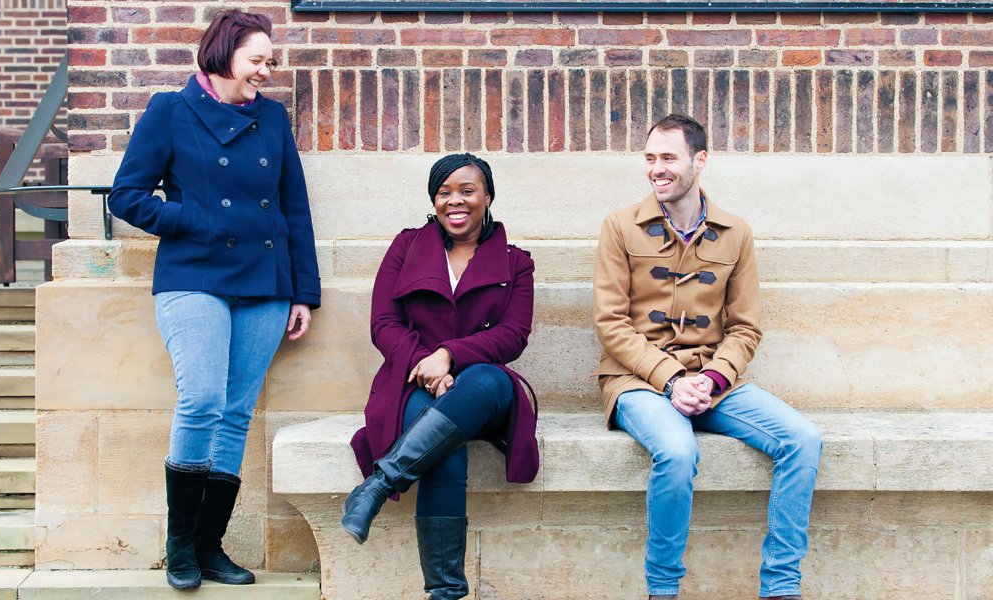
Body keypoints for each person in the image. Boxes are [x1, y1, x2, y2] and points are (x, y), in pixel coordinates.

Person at [107, 9, 320, 591]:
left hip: (266, 284)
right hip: (193, 275)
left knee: (235, 414)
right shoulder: (169, 112)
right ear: (224, 54)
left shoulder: (273, 119)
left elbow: (293, 208)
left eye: (269, 61)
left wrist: (305, 291)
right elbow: (126, 196)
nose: (266, 71)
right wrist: (191, 220)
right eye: (258, 59)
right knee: (201, 399)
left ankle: (209, 546)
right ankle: (179, 546)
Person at [593, 114, 821, 600]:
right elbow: (611, 324)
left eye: (668, 158)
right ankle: (663, 591)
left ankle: (781, 588)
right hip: (637, 382)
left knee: (802, 439)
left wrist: (713, 380)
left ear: (700, 161)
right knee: (677, 452)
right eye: (650, 158)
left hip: (715, 383)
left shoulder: (735, 232)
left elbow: (745, 327)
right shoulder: (618, 228)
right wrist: (673, 378)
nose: (657, 169)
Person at [342, 153, 539, 599]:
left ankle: (378, 485)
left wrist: (450, 356)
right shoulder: (407, 246)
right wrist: (425, 366)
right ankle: (446, 592)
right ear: (433, 200)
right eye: (444, 192)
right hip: (411, 381)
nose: (456, 201)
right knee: (441, 445)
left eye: (467, 191)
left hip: (483, 391)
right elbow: (383, 323)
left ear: (487, 196)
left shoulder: (515, 261)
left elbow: (514, 335)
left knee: (489, 380)